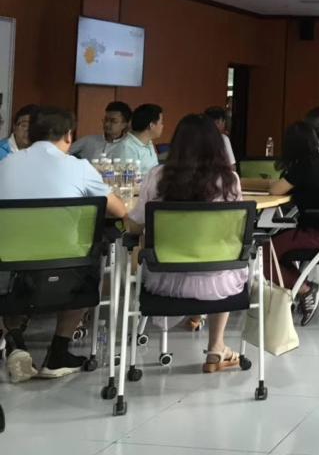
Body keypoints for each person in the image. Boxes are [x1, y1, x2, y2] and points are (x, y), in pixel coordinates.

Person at [0, 106, 127, 382]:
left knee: (10, 275)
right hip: (68, 271)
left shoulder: (6, 164)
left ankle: (16, 342)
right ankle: (58, 354)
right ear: (69, 135)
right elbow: (119, 210)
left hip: (9, 271)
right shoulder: (78, 168)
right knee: (92, 256)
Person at [127, 114, 246, 372]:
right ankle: (216, 347)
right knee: (225, 260)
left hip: (164, 280)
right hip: (218, 282)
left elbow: (134, 226)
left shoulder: (157, 176)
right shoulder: (229, 180)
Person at [266, 121, 319, 326]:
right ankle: (299, 288)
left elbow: (275, 190)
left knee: (264, 253)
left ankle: (306, 290)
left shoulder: (303, 166)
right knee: (275, 249)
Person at [108, 103, 163, 176]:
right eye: (161, 123)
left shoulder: (148, 142)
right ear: (151, 125)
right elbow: (126, 179)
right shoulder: (126, 147)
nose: (162, 126)